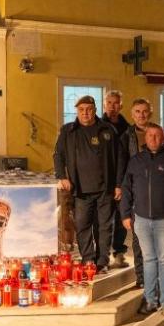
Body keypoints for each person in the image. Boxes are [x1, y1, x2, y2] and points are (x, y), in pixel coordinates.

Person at [121, 124, 164, 316]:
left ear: (163, 138)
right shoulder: (136, 160)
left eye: (158, 136)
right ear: (145, 138)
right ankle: (150, 300)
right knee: (148, 259)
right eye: (150, 135)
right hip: (141, 219)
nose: (153, 139)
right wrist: (125, 214)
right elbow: (126, 188)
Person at [53, 95, 121, 272]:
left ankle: (102, 261)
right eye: (81, 110)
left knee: (104, 227)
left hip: (105, 189)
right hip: (80, 190)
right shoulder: (68, 131)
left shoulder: (108, 130)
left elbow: (120, 159)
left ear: (95, 110)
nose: (85, 113)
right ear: (77, 111)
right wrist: (62, 176)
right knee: (82, 226)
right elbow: (58, 155)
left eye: (89, 109)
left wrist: (118, 184)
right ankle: (88, 259)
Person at [117, 98, 164, 288]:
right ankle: (142, 278)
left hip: (160, 195)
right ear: (132, 114)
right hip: (137, 192)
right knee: (139, 241)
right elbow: (122, 164)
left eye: (144, 111)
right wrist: (120, 187)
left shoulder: (161, 132)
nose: (141, 115)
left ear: (150, 112)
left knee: (163, 245)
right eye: (137, 111)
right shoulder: (126, 136)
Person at [103, 90, 131, 268]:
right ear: (104, 105)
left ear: (121, 106)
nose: (112, 107)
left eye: (116, 103)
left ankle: (119, 253)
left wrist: (121, 183)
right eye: (109, 103)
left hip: (123, 180)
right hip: (103, 181)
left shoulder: (127, 128)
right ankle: (102, 256)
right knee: (103, 221)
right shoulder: (97, 126)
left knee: (122, 218)